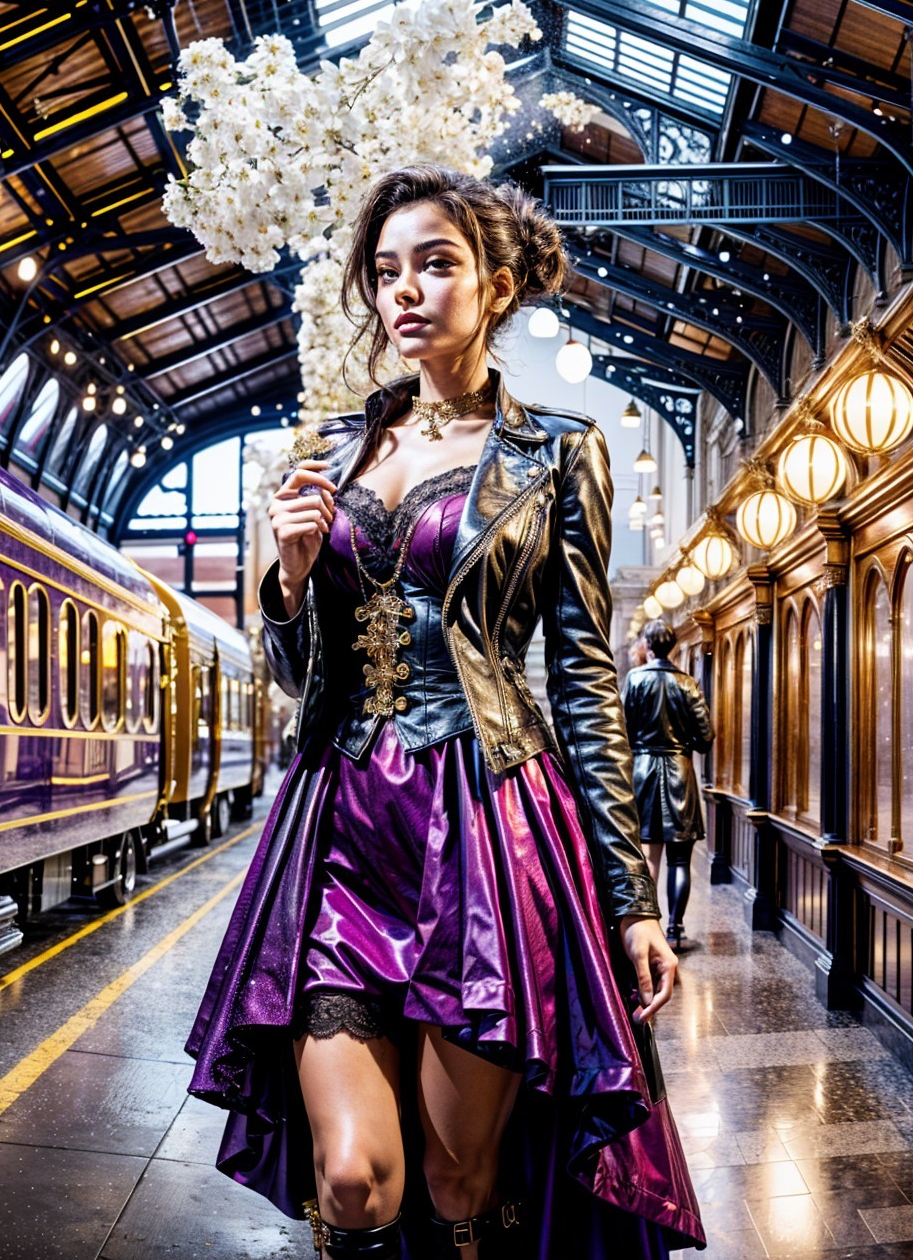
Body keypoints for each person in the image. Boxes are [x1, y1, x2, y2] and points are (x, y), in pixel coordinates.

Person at [186, 165, 704, 1259]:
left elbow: (581, 680)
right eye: (385, 273)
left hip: (488, 824)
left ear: (498, 286)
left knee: (461, 1174)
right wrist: (285, 578)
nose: (405, 292)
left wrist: (634, 901)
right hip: (339, 827)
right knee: (355, 1177)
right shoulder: (329, 450)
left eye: (436, 264)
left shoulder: (557, 451)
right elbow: (294, 671)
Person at [622, 620, 715, 951]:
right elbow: (705, 738)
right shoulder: (687, 684)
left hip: (644, 770)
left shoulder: (634, 679)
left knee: (647, 855)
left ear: (648, 645)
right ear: (674, 647)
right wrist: (682, 741)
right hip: (678, 771)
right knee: (680, 858)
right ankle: (676, 930)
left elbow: (623, 729)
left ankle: (649, 927)